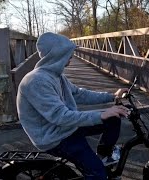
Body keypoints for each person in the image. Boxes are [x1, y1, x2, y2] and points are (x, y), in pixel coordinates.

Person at [16, 32, 130, 179]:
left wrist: (112, 96)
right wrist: (100, 115)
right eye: (68, 53)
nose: (72, 56)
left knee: (113, 119)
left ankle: (103, 156)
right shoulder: (36, 81)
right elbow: (60, 116)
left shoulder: (56, 75)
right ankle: (97, 170)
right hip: (54, 137)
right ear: (57, 55)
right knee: (98, 174)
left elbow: (79, 94)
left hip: (65, 127)